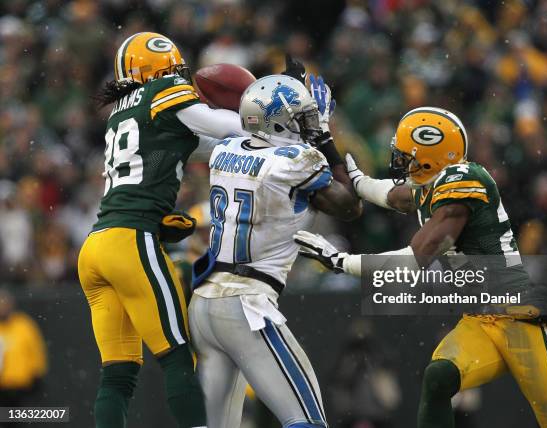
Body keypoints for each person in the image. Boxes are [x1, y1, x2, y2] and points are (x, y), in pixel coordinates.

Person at [294, 107, 547, 428]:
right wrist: (359, 181)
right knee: (439, 377)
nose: (400, 161)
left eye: (407, 155)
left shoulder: (463, 185)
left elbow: (416, 258)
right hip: (480, 318)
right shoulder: (442, 181)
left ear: (430, 155)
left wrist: (341, 262)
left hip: (518, 320)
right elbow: (397, 197)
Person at [77, 32, 246, 428]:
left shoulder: (121, 110)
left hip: (95, 246)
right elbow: (217, 126)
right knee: (177, 356)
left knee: (117, 374)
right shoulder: (164, 90)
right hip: (129, 241)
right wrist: (265, 118)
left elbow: (195, 144)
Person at [188, 74, 361, 428]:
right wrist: (326, 141)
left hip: (204, 305)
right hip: (247, 305)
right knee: (306, 420)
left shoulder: (225, 150)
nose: (310, 124)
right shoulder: (295, 161)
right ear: (280, 120)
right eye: (303, 116)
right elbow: (350, 206)